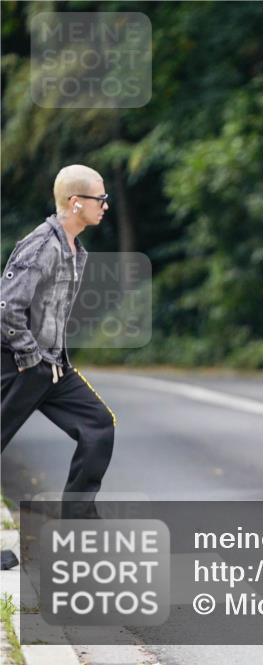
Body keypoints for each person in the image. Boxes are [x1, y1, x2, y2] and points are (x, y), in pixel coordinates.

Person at [1, 164, 118, 569]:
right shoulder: (40, 247)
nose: (106, 206)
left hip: (51, 366)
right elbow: (6, 309)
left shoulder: (75, 250)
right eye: (100, 198)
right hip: (17, 363)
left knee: (98, 426)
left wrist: (49, 362)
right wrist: (32, 359)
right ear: (75, 202)